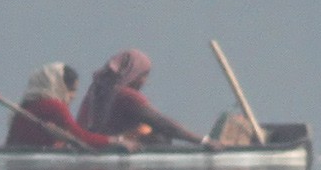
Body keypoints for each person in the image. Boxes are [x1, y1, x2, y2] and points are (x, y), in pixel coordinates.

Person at [76, 49, 220, 149]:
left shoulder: (99, 87)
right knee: (161, 137)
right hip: (102, 146)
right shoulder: (126, 95)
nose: (145, 81)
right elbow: (164, 125)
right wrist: (203, 141)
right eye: (144, 75)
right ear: (133, 73)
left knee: (151, 134)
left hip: (89, 142)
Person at [5, 63, 134, 151]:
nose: (73, 96)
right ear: (59, 86)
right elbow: (80, 137)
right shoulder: (52, 105)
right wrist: (115, 141)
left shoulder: (28, 105)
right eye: (71, 90)